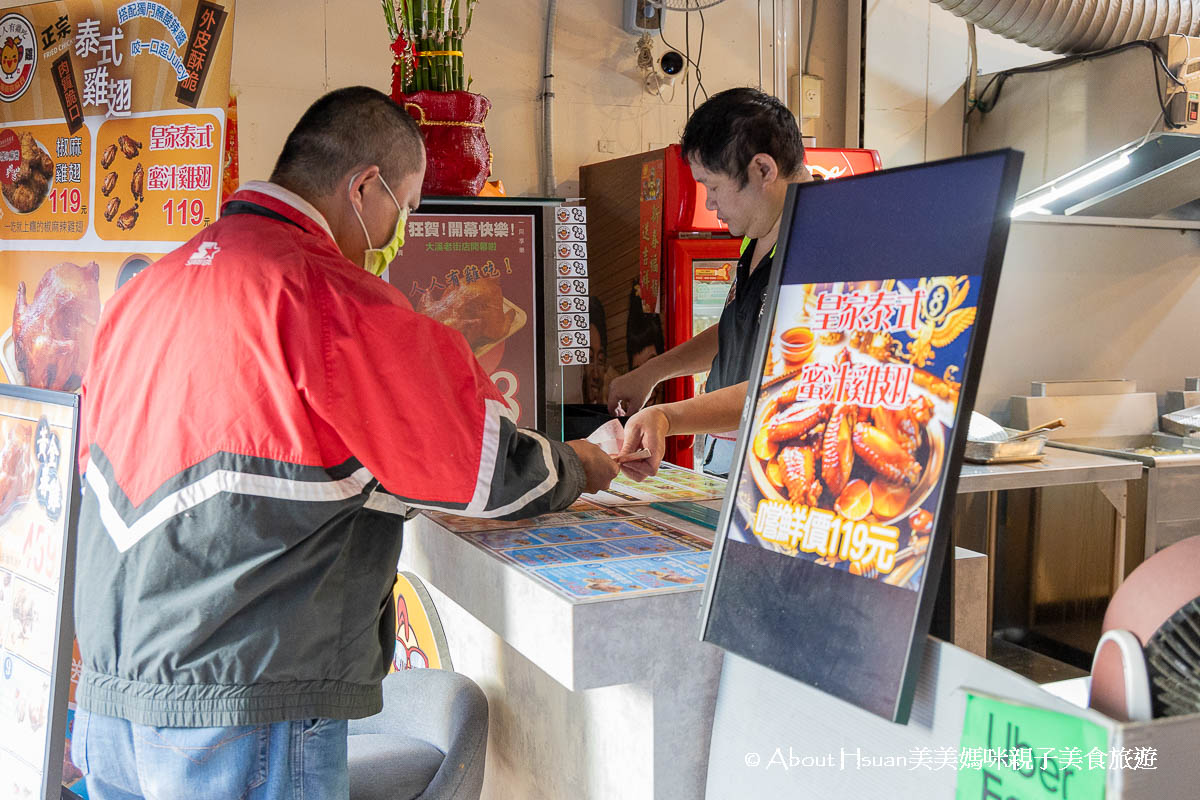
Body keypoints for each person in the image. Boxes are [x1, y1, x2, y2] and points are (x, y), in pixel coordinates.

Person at [70, 86, 619, 799]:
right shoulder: (327, 298)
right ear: (365, 187)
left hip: (110, 697)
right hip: (240, 703)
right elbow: (487, 472)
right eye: (408, 207)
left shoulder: (149, 290)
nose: (401, 231)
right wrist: (586, 460)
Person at [608, 87, 812, 478]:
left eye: (713, 186)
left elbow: (789, 383)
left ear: (763, 170)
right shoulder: (759, 232)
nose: (710, 203)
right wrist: (653, 371)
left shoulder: (824, 244)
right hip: (729, 461)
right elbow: (739, 328)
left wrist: (668, 416)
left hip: (783, 474)